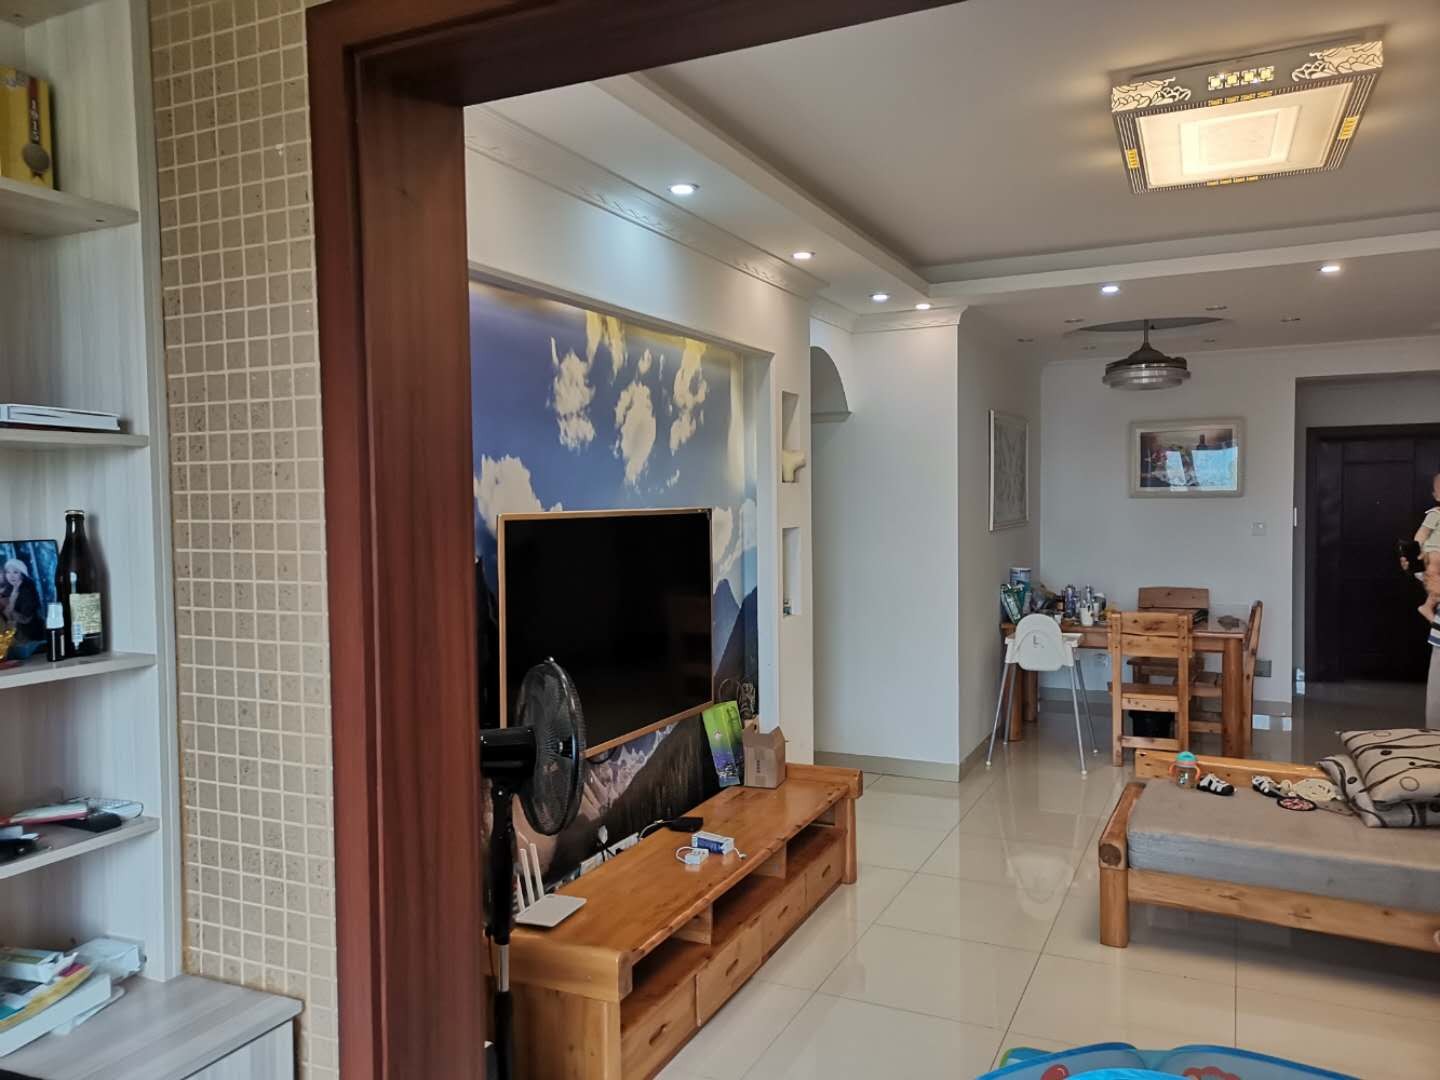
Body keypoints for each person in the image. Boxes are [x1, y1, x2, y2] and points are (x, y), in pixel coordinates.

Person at [0, 557, 46, 643]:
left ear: (22, 574)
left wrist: (10, 604)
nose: (11, 576)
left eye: (15, 572)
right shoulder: (9, 589)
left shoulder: (26, 591)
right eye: (8, 572)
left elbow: (25, 618)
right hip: (14, 634)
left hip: (29, 634)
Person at [1414, 472, 1440, 622]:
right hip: (1432, 551)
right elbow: (1421, 534)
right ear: (1436, 496)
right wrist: (1418, 552)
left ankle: (1428, 606)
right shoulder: (1435, 514)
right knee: (1435, 562)